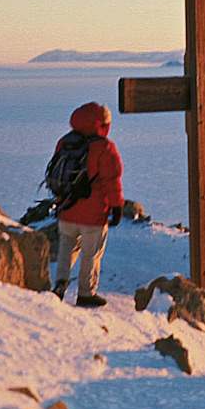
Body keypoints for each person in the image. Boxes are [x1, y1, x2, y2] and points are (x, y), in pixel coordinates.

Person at [53, 102, 123, 307]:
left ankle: (59, 286)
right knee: (91, 254)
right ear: (101, 124)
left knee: (66, 248)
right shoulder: (104, 147)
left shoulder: (65, 142)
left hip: (67, 209)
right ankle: (86, 293)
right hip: (93, 214)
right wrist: (116, 206)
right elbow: (112, 180)